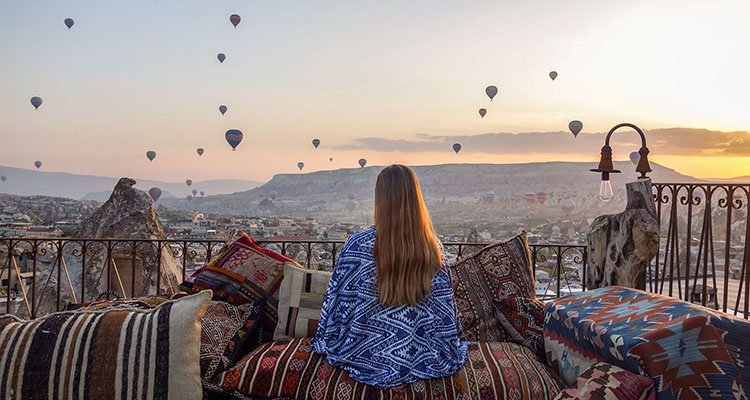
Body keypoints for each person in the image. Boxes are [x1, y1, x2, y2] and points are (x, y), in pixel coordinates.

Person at [312, 164, 467, 387]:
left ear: (380, 198)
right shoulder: (433, 248)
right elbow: (445, 316)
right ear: (416, 198)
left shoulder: (357, 246)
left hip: (365, 353)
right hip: (426, 356)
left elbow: (337, 306)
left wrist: (336, 337)